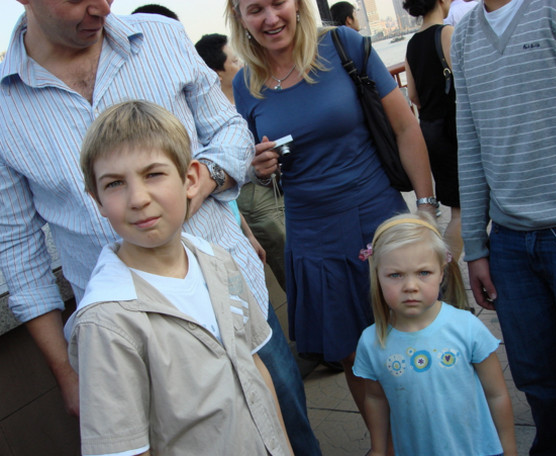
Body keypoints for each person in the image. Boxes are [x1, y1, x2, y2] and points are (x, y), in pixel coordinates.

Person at [0, 2, 319, 454]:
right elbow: (19, 255)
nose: (100, 8)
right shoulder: (3, 107)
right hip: (132, 342)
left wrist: (198, 184)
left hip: (232, 293)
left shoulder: (161, 37)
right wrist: (68, 375)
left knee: (287, 425)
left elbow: (230, 129)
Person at [226, 0, 435, 421]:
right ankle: (385, 445)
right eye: (255, 9)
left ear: (298, 5)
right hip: (312, 235)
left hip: (376, 220)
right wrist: (260, 168)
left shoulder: (343, 44)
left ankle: (434, 431)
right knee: (351, 352)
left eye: (278, 3)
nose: (270, 18)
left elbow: (405, 127)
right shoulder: (245, 85)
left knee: (413, 335)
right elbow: (257, 168)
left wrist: (427, 210)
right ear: (239, 18)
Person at [68, 99, 292, 456]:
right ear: (97, 200)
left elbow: (255, 367)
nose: (138, 199)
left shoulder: (218, 262)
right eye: (114, 184)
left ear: (189, 179)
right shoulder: (107, 323)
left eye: (153, 174)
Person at [451, 0, 556, 453]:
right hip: (510, 246)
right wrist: (475, 246)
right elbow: (470, 142)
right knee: (539, 385)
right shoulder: (465, 34)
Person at [353, 212, 517, 455]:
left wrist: (509, 449)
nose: (410, 286)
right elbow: (376, 400)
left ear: (441, 272)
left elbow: (497, 394)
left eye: (423, 273)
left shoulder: (466, 327)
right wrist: (378, 450)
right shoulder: (372, 341)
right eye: (395, 275)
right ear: (377, 275)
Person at [196, 33, 287, 290]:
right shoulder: (211, 120)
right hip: (253, 198)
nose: (243, 65)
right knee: (288, 256)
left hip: (280, 185)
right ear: (216, 73)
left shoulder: (251, 98)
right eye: (235, 61)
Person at [404, 0, 463, 261]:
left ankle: (441, 273)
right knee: (466, 211)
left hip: (430, 130)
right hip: (455, 130)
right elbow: (464, 82)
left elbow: (413, 94)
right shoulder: (447, 32)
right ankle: (443, 275)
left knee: (456, 205)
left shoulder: (412, 44)